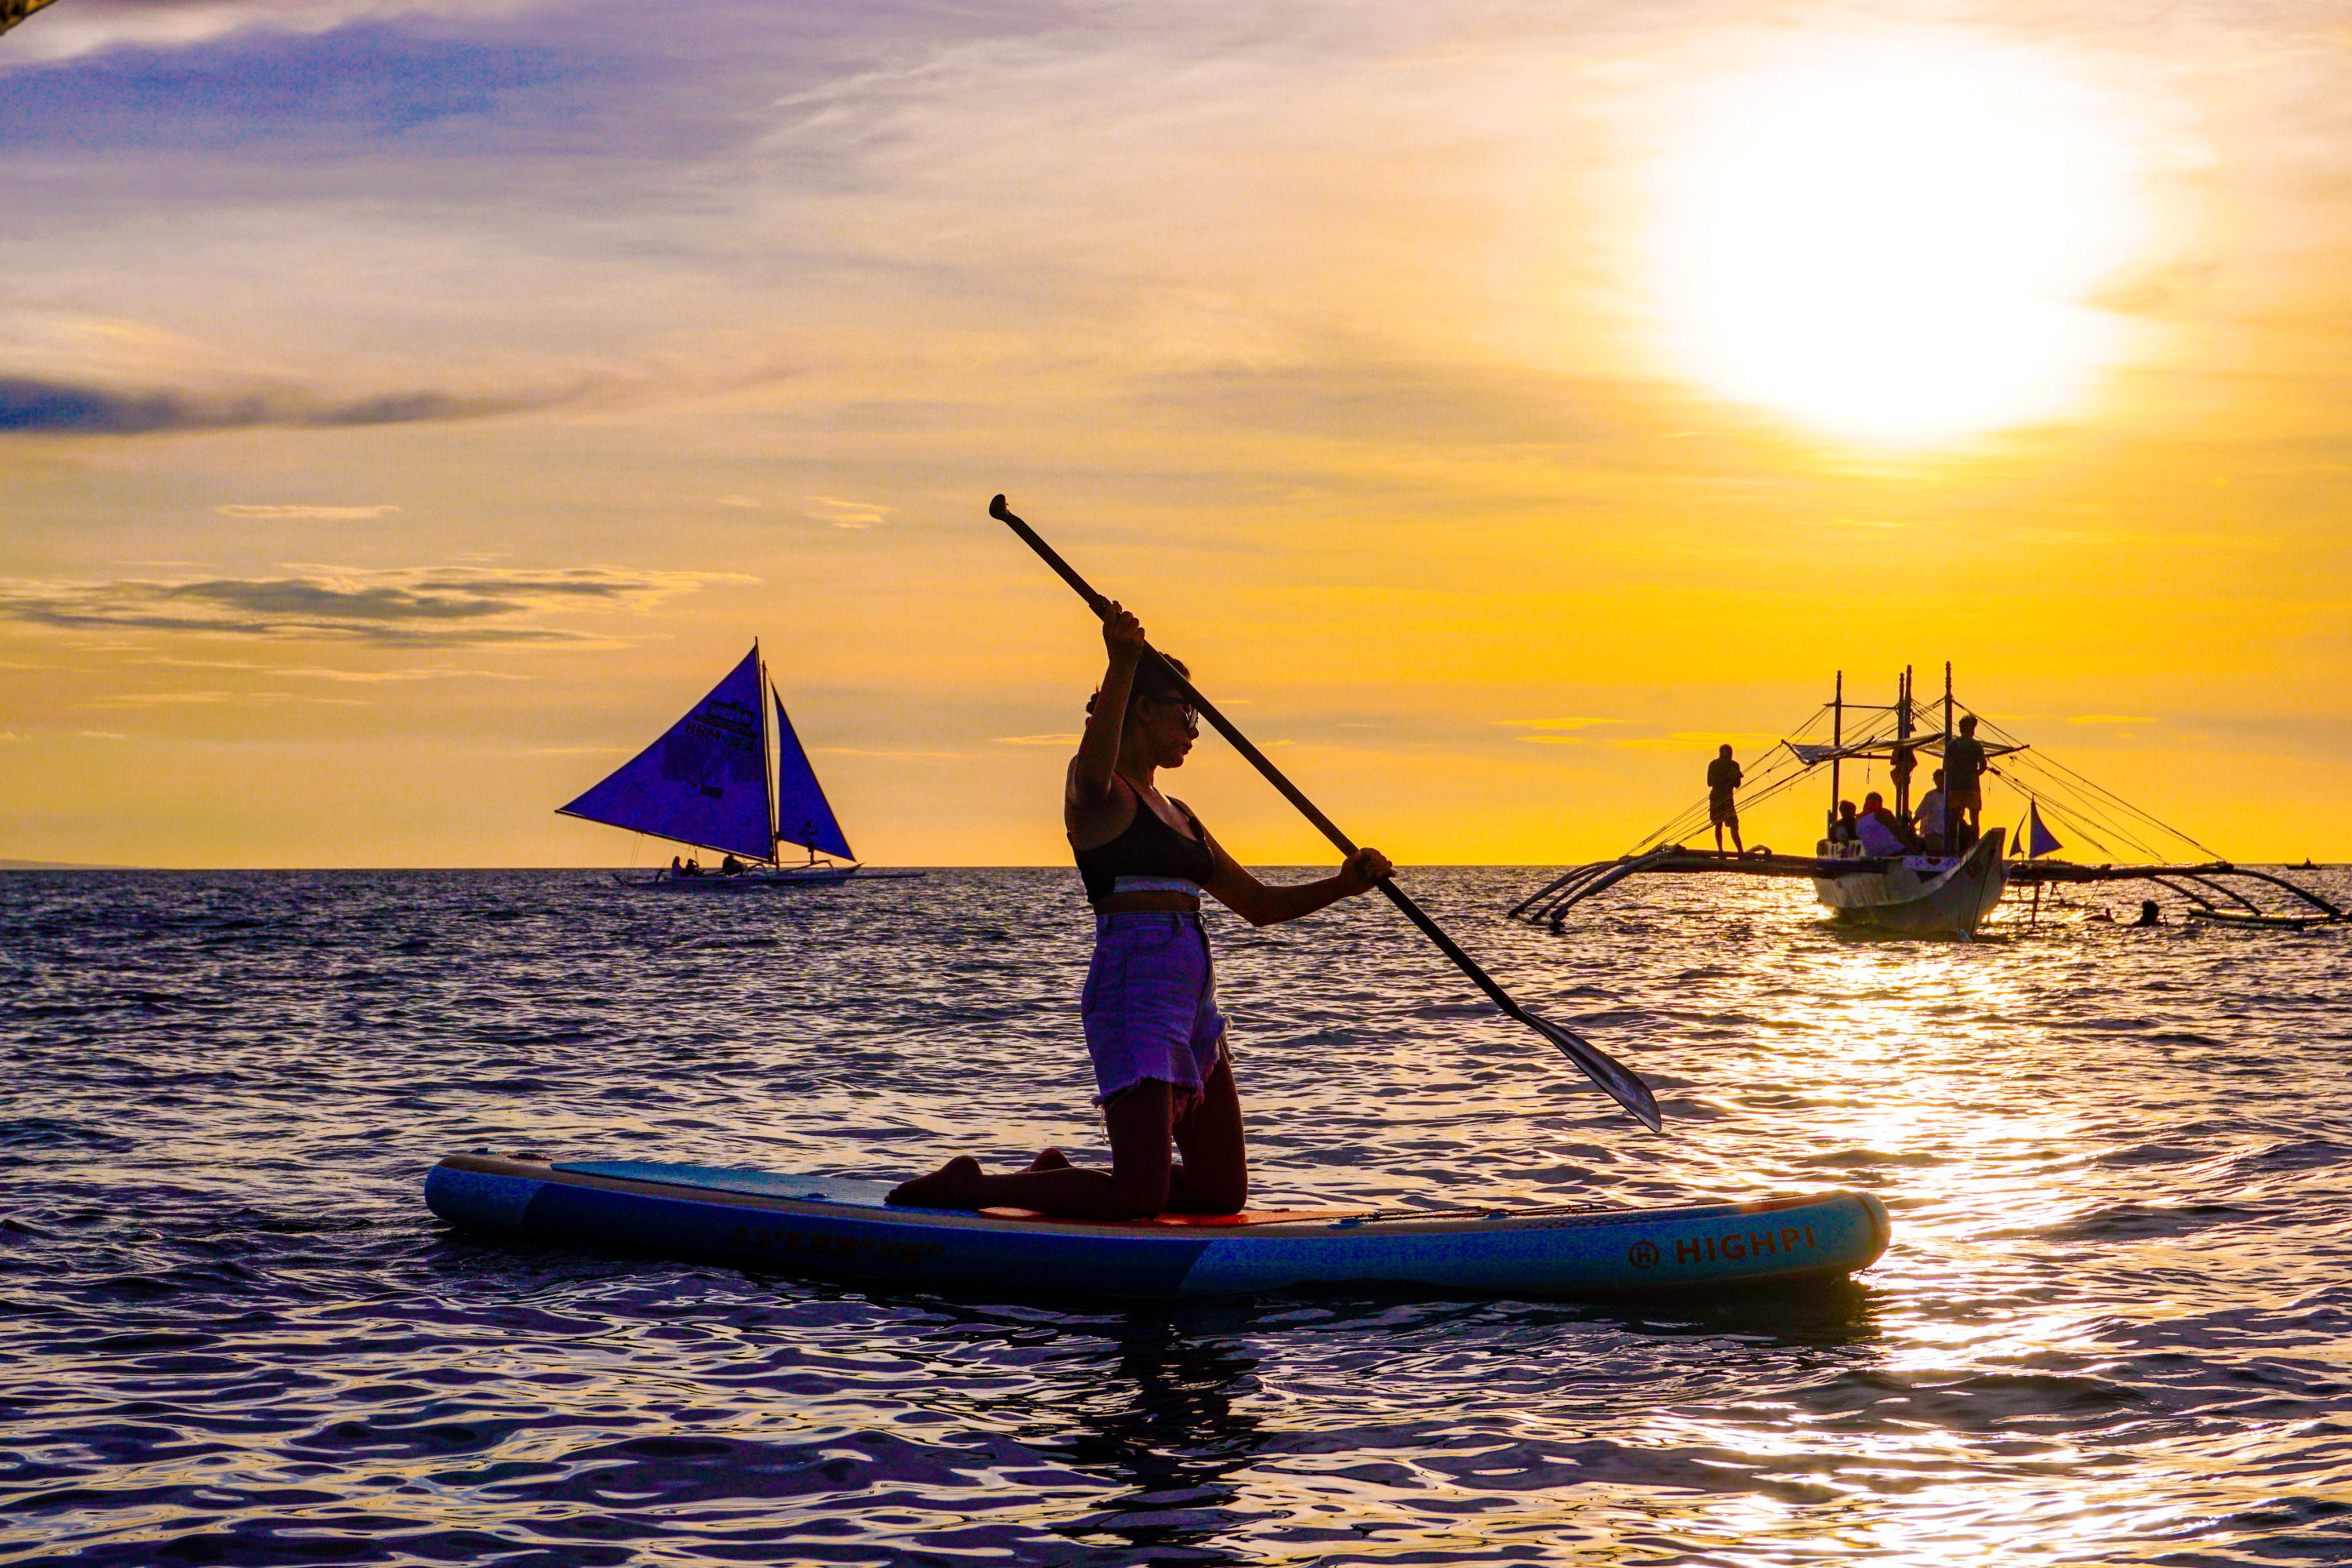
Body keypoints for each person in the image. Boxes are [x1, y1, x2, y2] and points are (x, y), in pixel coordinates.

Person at [887, 603, 1393, 1220]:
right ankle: (969, 1186)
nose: (1194, 728)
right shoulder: (1095, 790)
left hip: (1195, 1005)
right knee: (1139, 1199)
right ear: (1144, 708)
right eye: (1186, 711)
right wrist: (1122, 662)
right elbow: (1095, 769)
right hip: (1136, 990)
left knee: (1219, 1194)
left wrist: (1342, 885)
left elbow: (1257, 904)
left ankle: (1061, 1181)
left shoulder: (1181, 811)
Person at [1943, 716, 1987, 844]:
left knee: (1954, 818)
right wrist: (1974, 774)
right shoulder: (1976, 746)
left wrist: (1955, 772)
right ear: (1972, 730)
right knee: (1974, 818)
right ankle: (1974, 844)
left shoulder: (1951, 745)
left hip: (1955, 786)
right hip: (1971, 786)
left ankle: (1951, 846)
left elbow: (1945, 766)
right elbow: (1983, 766)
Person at [1707, 744, 1744, 855]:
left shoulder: (1734, 765)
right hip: (1716, 798)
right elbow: (1709, 782)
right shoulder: (1714, 764)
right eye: (1727, 754)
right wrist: (1726, 776)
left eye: (1730, 754)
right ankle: (1720, 851)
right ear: (1721, 754)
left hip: (1728, 800)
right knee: (1718, 824)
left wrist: (1736, 776)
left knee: (1734, 824)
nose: (1729, 757)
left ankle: (1740, 852)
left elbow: (1737, 785)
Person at [1855, 790, 1915, 856]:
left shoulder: (1858, 819)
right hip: (1891, 853)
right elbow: (1899, 834)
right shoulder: (1884, 813)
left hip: (1871, 855)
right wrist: (1913, 851)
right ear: (1880, 803)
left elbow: (1859, 836)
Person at [1913, 769, 1948, 855]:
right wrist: (1911, 825)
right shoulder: (1930, 796)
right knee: (1937, 854)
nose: (1940, 783)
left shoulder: (1951, 795)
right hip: (1933, 833)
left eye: (1943, 780)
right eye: (1937, 780)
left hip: (1948, 833)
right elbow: (1920, 813)